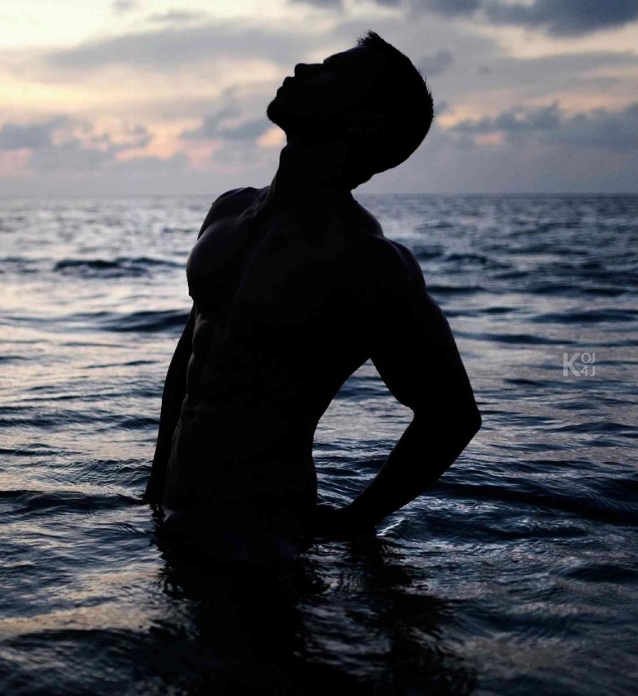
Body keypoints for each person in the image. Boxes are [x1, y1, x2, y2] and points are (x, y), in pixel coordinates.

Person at [144, 31, 481, 565]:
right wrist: (154, 486)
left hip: (264, 538)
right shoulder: (229, 211)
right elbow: (189, 357)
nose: (304, 68)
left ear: (364, 122)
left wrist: (355, 521)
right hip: (175, 514)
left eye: (332, 71)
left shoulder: (366, 261)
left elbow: (451, 415)